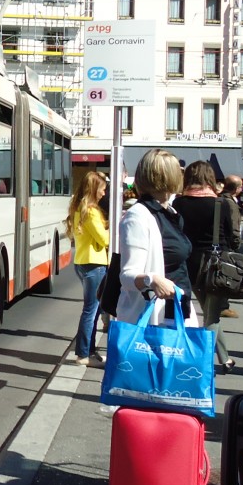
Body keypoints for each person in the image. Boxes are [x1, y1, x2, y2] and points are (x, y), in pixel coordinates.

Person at [117, 148, 198, 328]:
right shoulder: (138, 217)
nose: (182, 175)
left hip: (175, 312)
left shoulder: (170, 213)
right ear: (167, 176)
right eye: (179, 171)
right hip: (155, 320)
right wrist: (153, 280)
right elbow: (127, 275)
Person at [176, 160, 237, 372]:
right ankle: (203, 362)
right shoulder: (220, 204)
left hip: (190, 266)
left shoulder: (179, 204)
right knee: (211, 315)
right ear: (210, 178)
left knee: (209, 312)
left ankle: (225, 358)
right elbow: (230, 237)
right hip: (217, 267)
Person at [66, 171, 109, 365]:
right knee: (91, 311)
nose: (104, 193)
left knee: (92, 310)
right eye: (102, 189)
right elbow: (104, 240)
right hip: (95, 264)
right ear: (93, 189)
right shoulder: (91, 212)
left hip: (83, 261)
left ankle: (88, 352)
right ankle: (83, 354)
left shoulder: (79, 209)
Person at [218, 174, 243, 319]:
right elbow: (234, 226)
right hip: (226, 243)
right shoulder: (229, 203)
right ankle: (223, 306)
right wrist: (236, 244)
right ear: (237, 189)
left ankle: (221, 305)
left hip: (221, 241)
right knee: (225, 274)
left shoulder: (220, 199)